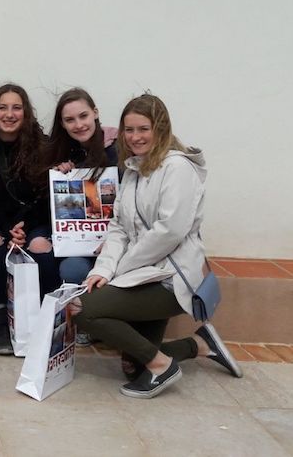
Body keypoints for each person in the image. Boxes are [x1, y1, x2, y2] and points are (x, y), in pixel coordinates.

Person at [74, 94, 242, 399]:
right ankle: (199, 345)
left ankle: (162, 365)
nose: (135, 137)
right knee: (134, 367)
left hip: (171, 279)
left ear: (160, 129)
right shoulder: (134, 170)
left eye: (143, 129)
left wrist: (118, 272)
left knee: (84, 312)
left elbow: (169, 232)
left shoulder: (177, 168)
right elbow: (119, 228)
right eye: (129, 130)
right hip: (143, 273)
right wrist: (103, 269)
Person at [0, 84, 57, 356]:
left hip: (32, 223)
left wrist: (23, 230)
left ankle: (45, 319)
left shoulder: (44, 146)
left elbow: (46, 198)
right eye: (3, 107)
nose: (9, 114)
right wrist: (7, 231)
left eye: (16, 107)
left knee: (41, 246)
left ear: (25, 113)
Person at [44, 88, 119, 288]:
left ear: (95, 113)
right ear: (62, 123)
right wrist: (61, 178)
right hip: (79, 246)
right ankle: (76, 317)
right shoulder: (61, 151)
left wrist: (115, 243)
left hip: (120, 242)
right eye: (70, 120)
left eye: (83, 116)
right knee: (71, 269)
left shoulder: (119, 148)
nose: (78, 125)